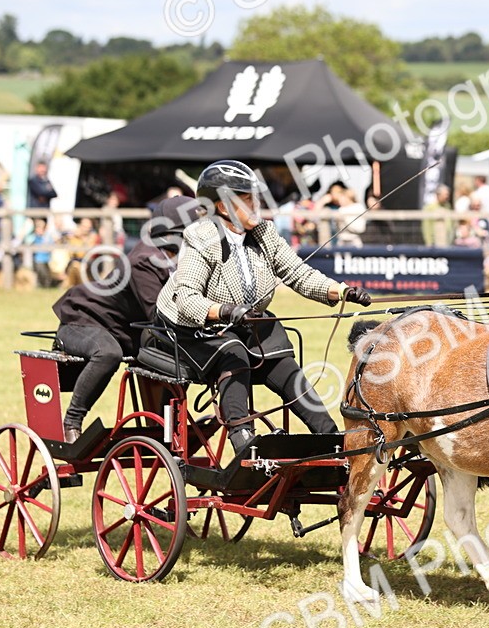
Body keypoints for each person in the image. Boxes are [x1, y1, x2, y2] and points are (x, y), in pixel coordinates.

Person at [153, 160, 373, 455]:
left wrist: (342, 291)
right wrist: (227, 310)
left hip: (241, 320)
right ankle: (243, 438)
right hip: (191, 328)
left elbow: (299, 274)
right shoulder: (200, 237)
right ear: (222, 208)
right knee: (233, 353)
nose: (257, 205)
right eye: (247, 200)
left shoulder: (264, 235)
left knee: (282, 361)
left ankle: (332, 437)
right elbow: (188, 300)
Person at [51, 195, 201, 442]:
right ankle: (72, 422)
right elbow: (159, 315)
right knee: (108, 353)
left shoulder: (181, 258)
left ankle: (167, 426)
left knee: (174, 356)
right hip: (84, 320)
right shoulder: (144, 260)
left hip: (125, 329)